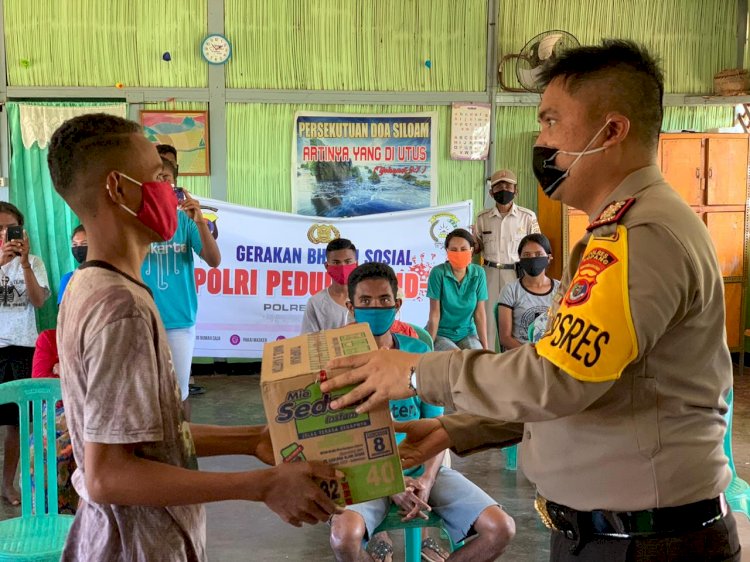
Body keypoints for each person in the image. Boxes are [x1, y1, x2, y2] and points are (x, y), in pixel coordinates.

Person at [321, 40, 741, 561]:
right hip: (616, 534)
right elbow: (582, 382)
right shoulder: (621, 230)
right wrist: (453, 428)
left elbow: (556, 380)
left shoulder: (644, 234)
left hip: (648, 542)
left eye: (550, 123)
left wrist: (414, 372)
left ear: (611, 131)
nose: (540, 142)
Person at [47, 113, 341, 560]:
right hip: (137, 545)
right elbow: (109, 474)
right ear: (118, 188)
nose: (172, 192)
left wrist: (250, 439)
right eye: (158, 178)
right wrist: (259, 485)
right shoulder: (119, 306)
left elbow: (142, 438)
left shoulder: (91, 284)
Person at [328, 262, 514, 562]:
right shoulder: (339, 365)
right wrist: (391, 485)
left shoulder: (418, 355)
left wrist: (426, 480)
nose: (376, 307)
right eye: (366, 301)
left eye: (384, 300)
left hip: (424, 468)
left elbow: (437, 425)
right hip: (364, 474)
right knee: (344, 537)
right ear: (352, 307)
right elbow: (341, 441)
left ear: (397, 304)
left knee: (500, 528)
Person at [141, 156, 221, 412]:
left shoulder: (186, 221)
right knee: (144, 394)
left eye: (166, 178)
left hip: (179, 321)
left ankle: (183, 449)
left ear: (175, 183)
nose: (161, 184)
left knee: (178, 394)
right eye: (154, 179)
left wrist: (199, 220)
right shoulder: (136, 220)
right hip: (142, 320)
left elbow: (214, 260)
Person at [0, 202, 50, 506]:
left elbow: (39, 301)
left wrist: (25, 265)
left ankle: (8, 484)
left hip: (23, 349)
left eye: (10, 228)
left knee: (17, 425)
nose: (5, 234)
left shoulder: (35, 262)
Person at [475, 169, 540, 351]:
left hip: (516, 274)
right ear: (491, 192)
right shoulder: (482, 218)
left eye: (508, 186)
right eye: (498, 186)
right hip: (489, 273)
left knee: (515, 321)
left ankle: (513, 364)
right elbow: (477, 247)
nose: (504, 189)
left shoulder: (527, 217)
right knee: (487, 321)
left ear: (516, 190)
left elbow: (537, 247)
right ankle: (486, 363)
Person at [30, 328, 79, 514]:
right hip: (57, 410)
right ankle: (45, 525)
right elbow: (41, 383)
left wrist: (63, 369)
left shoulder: (100, 338)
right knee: (40, 453)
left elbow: (102, 381)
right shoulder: (50, 338)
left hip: (91, 410)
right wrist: (76, 374)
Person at [426, 228, 489, 351]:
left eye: (463, 249)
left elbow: (480, 314)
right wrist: (430, 346)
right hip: (441, 334)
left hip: (467, 334)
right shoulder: (438, 273)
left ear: (471, 250)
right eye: (454, 250)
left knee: (476, 359)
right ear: (447, 251)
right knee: (456, 358)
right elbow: (434, 314)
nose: (459, 253)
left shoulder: (479, 273)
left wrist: (485, 348)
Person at [497, 233, 559, 350]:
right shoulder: (510, 290)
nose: (532, 258)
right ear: (520, 259)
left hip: (552, 355)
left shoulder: (561, 289)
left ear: (549, 257)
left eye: (538, 254)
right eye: (526, 255)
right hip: (520, 356)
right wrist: (532, 354)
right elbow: (505, 338)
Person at [300, 238, 357, 334]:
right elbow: (308, 342)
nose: (342, 266)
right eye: (336, 262)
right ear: (327, 266)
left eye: (348, 262)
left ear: (356, 264)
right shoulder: (315, 303)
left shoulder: (368, 300)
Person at [58, 225, 87, 304]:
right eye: (75, 245)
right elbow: (63, 312)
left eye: (84, 244)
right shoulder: (68, 279)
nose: (78, 248)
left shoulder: (104, 278)